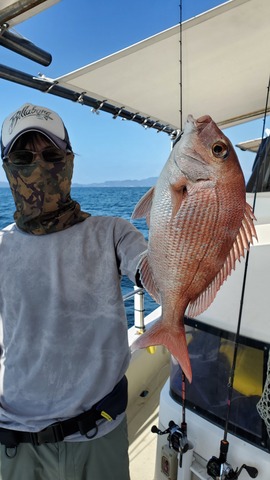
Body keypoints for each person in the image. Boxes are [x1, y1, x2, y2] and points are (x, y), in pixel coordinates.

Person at [0, 103, 147, 479]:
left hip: (98, 433)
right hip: (15, 444)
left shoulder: (111, 232)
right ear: (6, 166)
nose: (39, 165)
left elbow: (151, 272)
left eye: (50, 154)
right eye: (22, 156)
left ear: (68, 161)